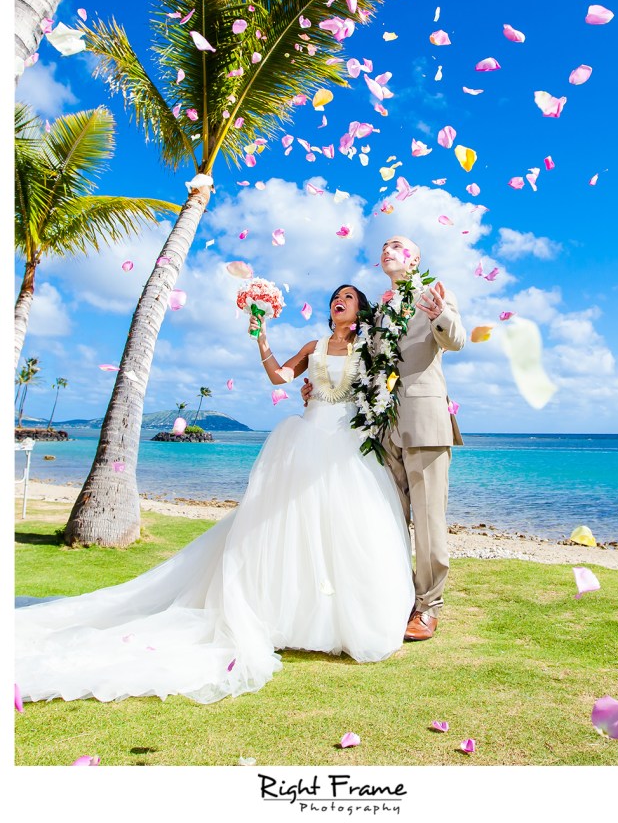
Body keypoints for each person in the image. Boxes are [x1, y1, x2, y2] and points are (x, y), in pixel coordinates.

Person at [15, 284, 414, 705]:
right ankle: (292, 619)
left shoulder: (372, 347)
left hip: (347, 447)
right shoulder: (313, 345)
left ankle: (348, 620)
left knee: (348, 528)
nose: (340, 301)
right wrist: (261, 336)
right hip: (308, 439)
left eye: (349, 297)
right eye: (336, 297)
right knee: (289, 527)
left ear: (361, 310)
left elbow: (384, 383)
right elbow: (280, 376)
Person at [303, 237, 465, 642]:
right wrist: (320, 390)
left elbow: (455, 340)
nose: (388, 249)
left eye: (397, 245)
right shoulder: (375, 315)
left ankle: (429, 608)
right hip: (379, 428)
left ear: (416, 258)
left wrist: (440, 314)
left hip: (424, 422)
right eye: (384, 246)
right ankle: (399, 598)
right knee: (389, 522)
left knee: (428, 523)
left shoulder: (434, 294)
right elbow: (365, 367)